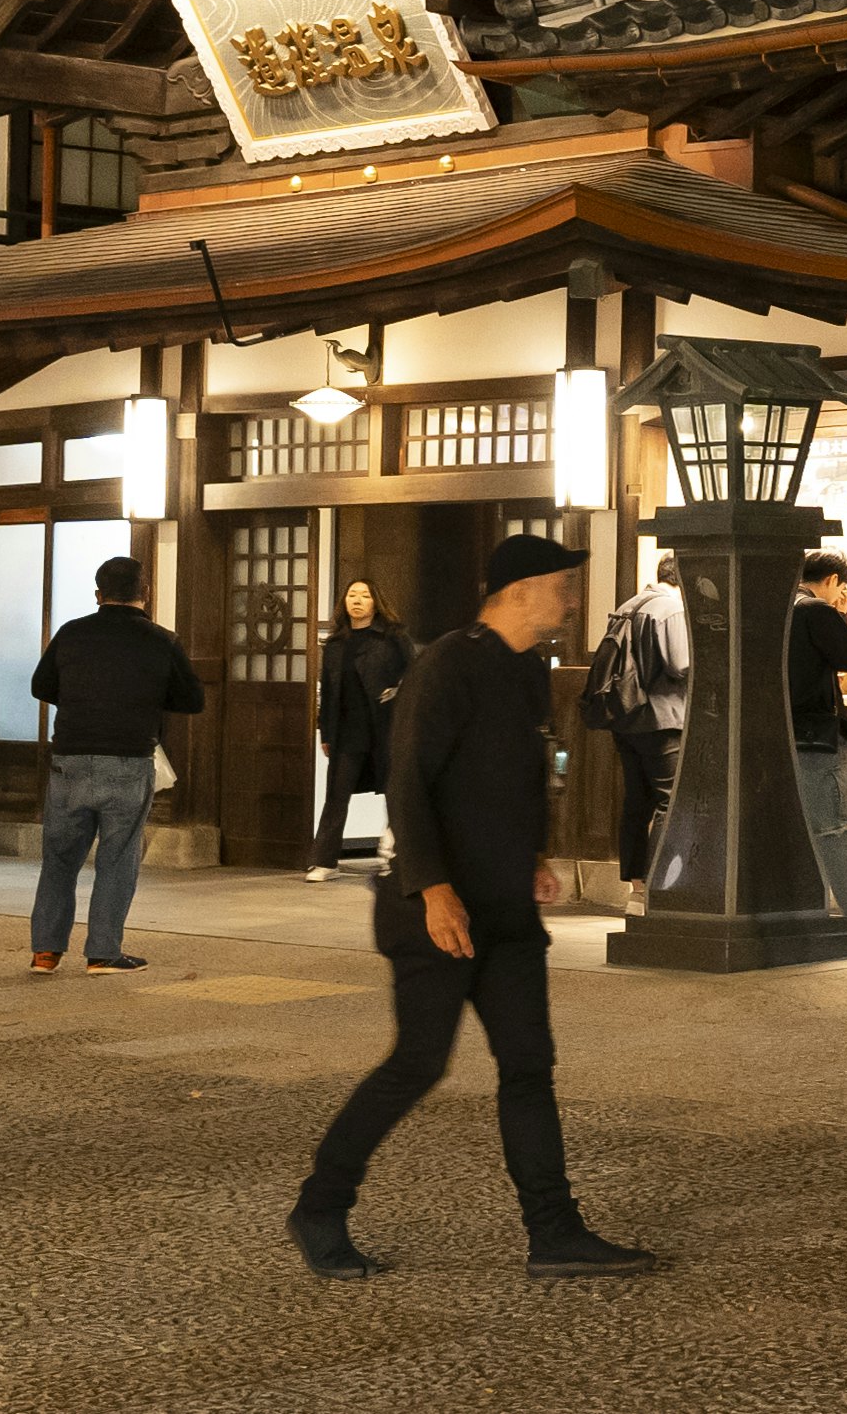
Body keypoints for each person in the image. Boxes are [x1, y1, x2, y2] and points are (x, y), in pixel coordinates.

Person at [289, 533, 653, 1282]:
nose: (571, 598)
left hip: (505, 906)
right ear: (517, 589)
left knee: (528, 1064)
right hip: (435, 908)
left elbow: (521, 772)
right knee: (417, 1063)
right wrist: (433, 887)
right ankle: (319, 1207)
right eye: (561, 583)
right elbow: (408, 780)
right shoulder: (445, 663)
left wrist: (536, 854)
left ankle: (554, 1231)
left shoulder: (525, 668)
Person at [26, 554, 203, 977]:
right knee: (118, 858)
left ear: (98, 594)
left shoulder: (71, 633)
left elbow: (40, 685)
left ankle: (45, 952)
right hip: (128, 759)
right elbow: (192, 700)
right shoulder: (162, 640)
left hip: (69, 758)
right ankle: (103, 953)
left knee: (59, 858)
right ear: (146, 592)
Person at [788, 552, 847, 929]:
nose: (842, 595)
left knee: (802, 827)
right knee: (838, 824)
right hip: (819, 737)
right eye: (842, 588)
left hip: (781, 733)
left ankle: (806, 905)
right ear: (831, 580)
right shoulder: (815, 611)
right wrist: (840, 613)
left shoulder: (777, 606)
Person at [602, 555, 692, 898]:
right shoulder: (670, 607)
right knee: (671, 800)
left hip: (626, 718)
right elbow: (680, 664)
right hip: (662, 718)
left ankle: (638, 883)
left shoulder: (630, 604)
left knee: (637, 801)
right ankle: (662, 883)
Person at [308, 579, 410, 883]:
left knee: (396, 795)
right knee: (337, 796)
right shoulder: (336, 643)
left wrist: (397, 691)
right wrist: (326, 731)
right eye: (352, 595)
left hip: (386, 728)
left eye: (364, 595)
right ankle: (325, 861)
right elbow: (328, 692)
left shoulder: (393, 637)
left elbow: (415, 675)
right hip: (347, 731)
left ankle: (396, 857)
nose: (357, 600)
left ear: (375, 602)